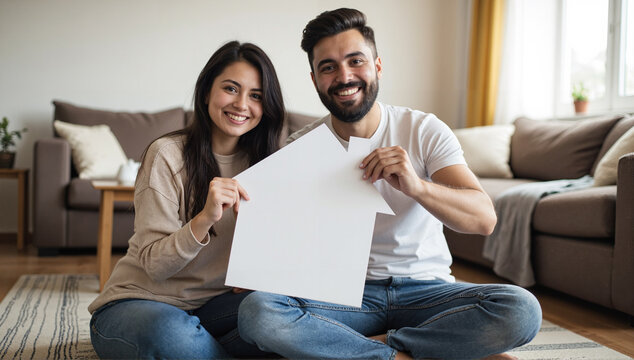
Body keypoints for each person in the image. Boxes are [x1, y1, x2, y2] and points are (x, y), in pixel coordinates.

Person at [237, 8, 542, 360]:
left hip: (426, 290)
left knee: (521, 310)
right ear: (315, 79)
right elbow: (289, 241)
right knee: (259, 312)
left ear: (377, 66)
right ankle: (416, 354)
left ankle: (365, 351)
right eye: (328, 67)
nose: (344, 76)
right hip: (345, 298)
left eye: (355, 61)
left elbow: (484, 219)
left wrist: (417, 186)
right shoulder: (300, 147)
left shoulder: (423, 129)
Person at [88, 41, 284, 359]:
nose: (242, 104)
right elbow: (154, 266)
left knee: (286, 313)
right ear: (207, 91)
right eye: (231, 89)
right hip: (141, 305)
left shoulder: (268, 165)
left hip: (213, 309)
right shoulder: (167, 154)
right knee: (169, 334)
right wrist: (204, 218)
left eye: (256, 96)